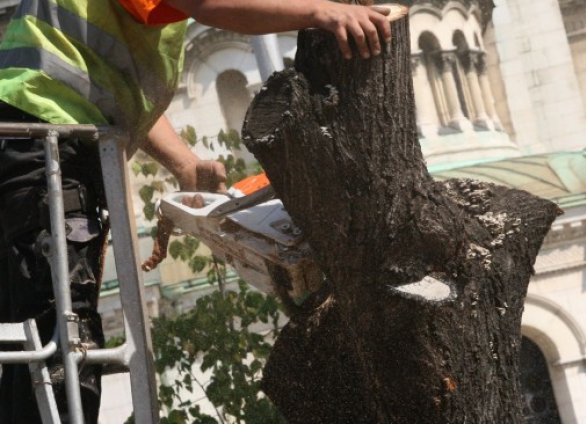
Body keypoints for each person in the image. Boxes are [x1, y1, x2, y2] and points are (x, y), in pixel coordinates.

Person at [0, 0, 391, 422]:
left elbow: (108, 84)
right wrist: (320, 11)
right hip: (44, 146)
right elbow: (209, 5)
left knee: (29, 339)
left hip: (31, 142)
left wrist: (184, 163)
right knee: (63, 333)